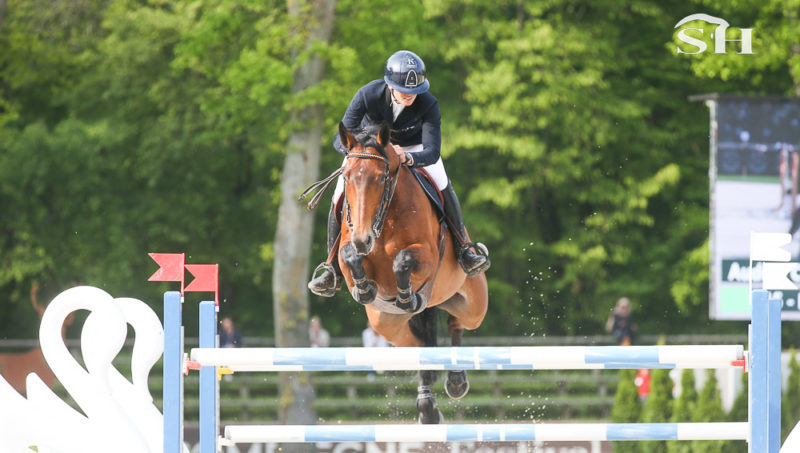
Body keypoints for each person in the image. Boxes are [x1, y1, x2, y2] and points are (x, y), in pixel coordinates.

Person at [308, 50, 490, 297]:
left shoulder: (429, 104)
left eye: (415, 91)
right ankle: (331, 268)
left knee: (441, 179)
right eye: (404, 90)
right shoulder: (367, 94)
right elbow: (339, 136)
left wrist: (409, 157)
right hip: (367, 151)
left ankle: (464, 249)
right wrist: (355, 151)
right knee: (340, 191)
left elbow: (433, 151)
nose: (410, 95)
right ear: (389, 85)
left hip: (412, 149)